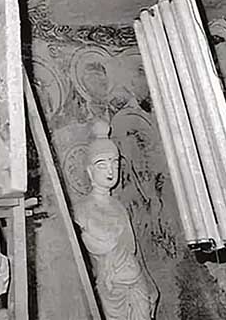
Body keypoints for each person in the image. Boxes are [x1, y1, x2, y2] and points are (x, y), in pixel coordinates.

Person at [74, 120, 159, 320]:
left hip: (136, 283)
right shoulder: (81, 210)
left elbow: (134, 251)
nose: (111, 171)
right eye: (102, 165)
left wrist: (150, 284)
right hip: (111, 289)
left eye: (115, 163)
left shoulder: (119, 206)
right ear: (90, 171)